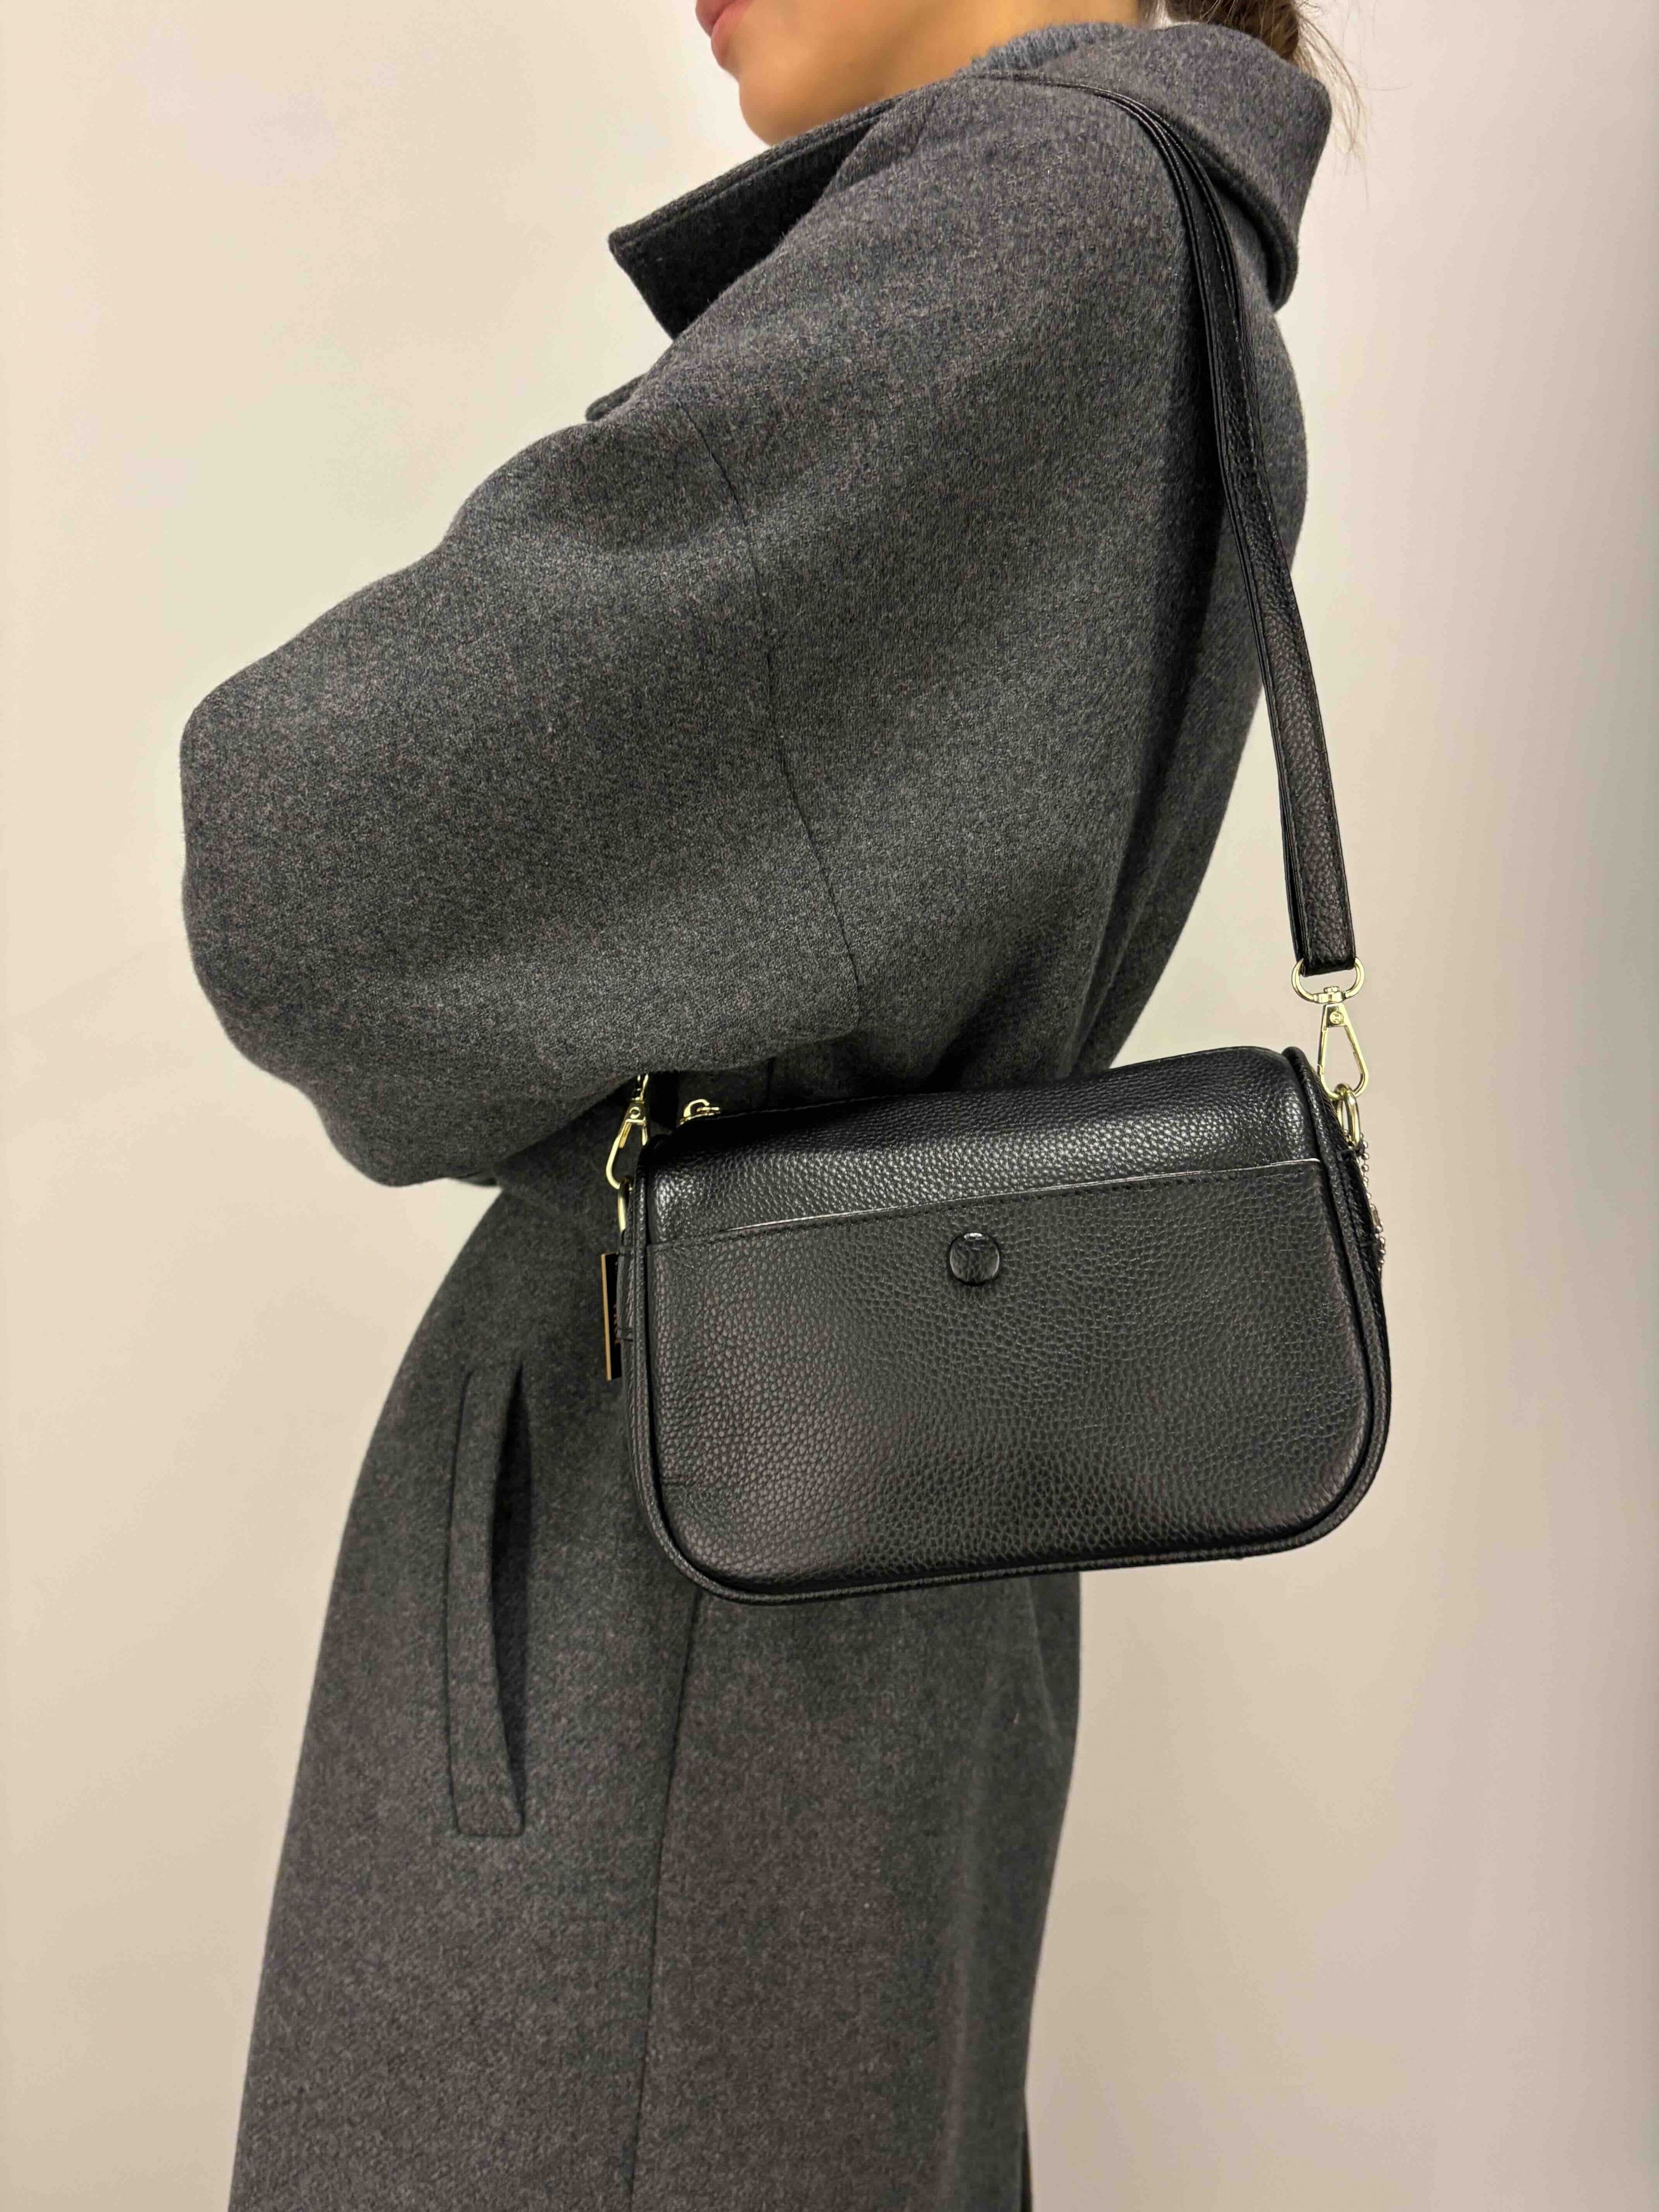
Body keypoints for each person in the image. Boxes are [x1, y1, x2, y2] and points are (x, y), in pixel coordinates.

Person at [180, 4, 1339, 2205]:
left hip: (680, 1617)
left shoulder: (1032, 220)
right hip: (830, 1557)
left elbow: (300, 855)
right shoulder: (1148, 245)